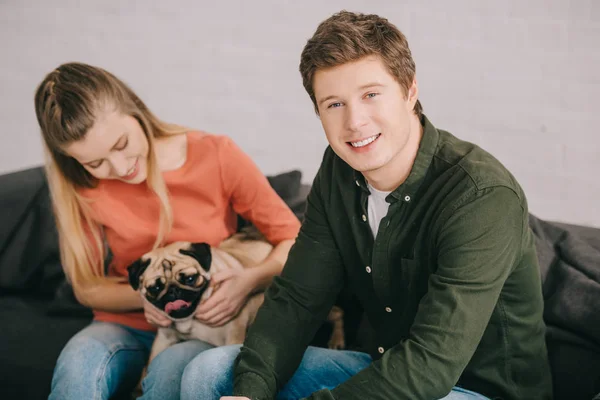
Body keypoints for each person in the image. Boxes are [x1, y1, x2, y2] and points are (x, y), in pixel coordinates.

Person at [186, 10, 554, 400]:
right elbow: (297, 299)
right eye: (334, 104)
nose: (355, 122)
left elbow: (431, 364)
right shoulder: (339, 171)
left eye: (370, 95)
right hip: (385, 369)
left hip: (472, 389)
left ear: (410, 91)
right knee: (209, 374)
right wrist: (249, 393)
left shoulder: (482, 196)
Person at [34, 62, 301, 400]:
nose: (118, 168)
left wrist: (249, 280)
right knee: (76, 370)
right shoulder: (82, 188)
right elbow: (88, 288)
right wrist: (152, 296)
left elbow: (293, 240)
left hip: (203, 327)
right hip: (124, 325)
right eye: (95, 163)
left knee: (168, 374)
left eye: (120, 143)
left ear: (134, 110)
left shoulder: (215, 154)